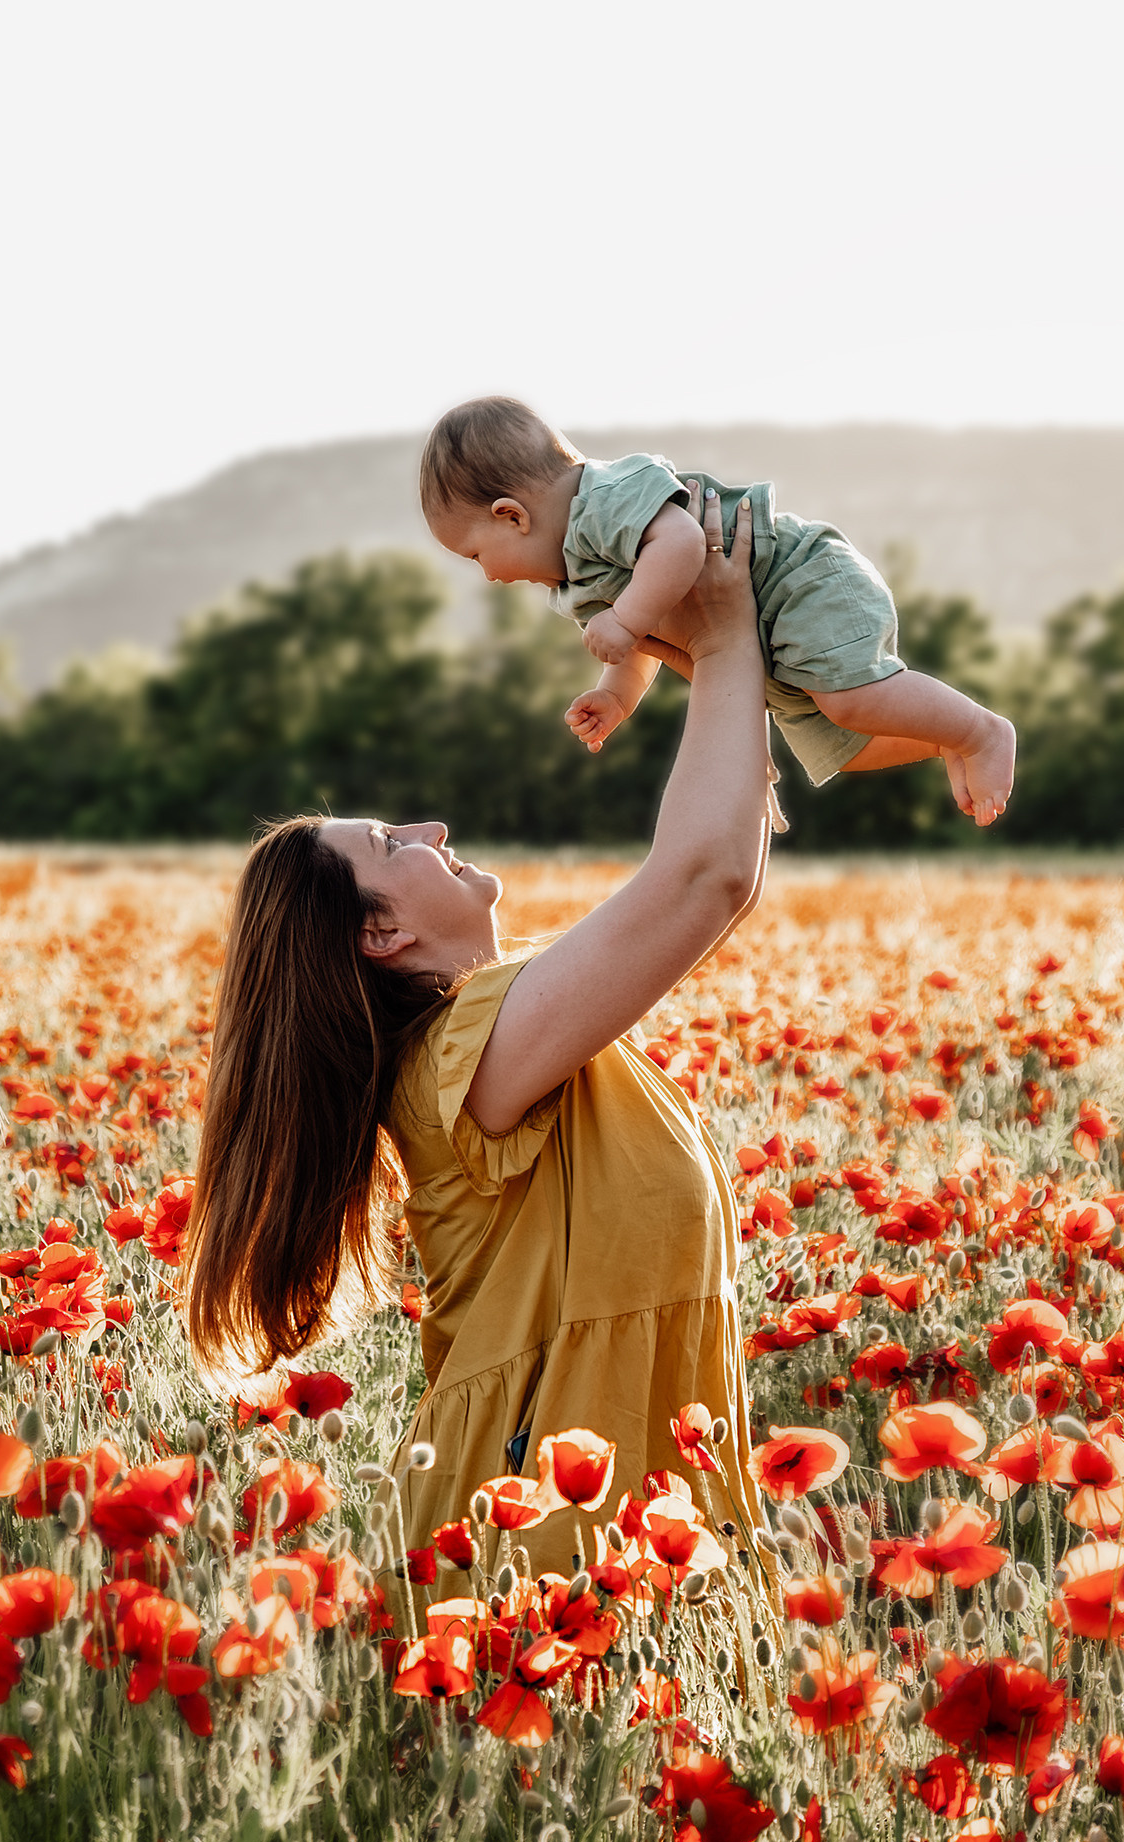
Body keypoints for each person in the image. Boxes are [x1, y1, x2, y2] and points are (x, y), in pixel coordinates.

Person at [186, 492, 773, 1603]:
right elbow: (706, 878)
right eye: (393, 843)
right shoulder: (464, 1057)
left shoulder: (502, 1035)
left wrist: (726, 670)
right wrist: (723, 634)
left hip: (615, 1523)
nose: (434, 831)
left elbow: (721, 867)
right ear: (379, 932)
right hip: (539, 1547)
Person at [421, 395, 1017, 828]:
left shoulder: (599, 500)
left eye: (475, 555)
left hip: (796, 585)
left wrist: (626, 618)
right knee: (843, 746)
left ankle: (980, 730)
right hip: (766, 645)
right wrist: (616, 696)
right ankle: (941, 734)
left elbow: (680, 543)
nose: (490, 577)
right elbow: (649, 648)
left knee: (849, 701)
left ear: (512, 515)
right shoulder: (573, 580)